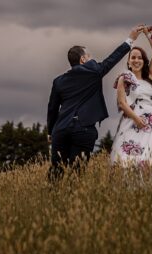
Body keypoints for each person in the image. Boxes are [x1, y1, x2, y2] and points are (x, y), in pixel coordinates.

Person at [46, 24, 146, 181]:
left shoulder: (58, 81)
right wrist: (130, 39)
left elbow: (52, 109)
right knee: (77, 174)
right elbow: (111, 60)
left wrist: (50, 132)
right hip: (83, 129)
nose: (92, 59)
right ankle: (73, 203)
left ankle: (52, 201)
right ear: (83, 59)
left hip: (61, 129)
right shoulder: (93, 72)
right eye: (90, 56)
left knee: (56, 172)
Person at [110, 26, 152, 177]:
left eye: (139, 58)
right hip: (132, 122)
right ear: (128, 62)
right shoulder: (124, 78)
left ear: (144, 61)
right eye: (133, 58)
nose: (136, 60)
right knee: (127, 161)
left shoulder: (150, 78)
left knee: (149, 160)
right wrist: (136, 118)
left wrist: (148, 34)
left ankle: (148, 193)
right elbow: (122, 103)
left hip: (151, 125)